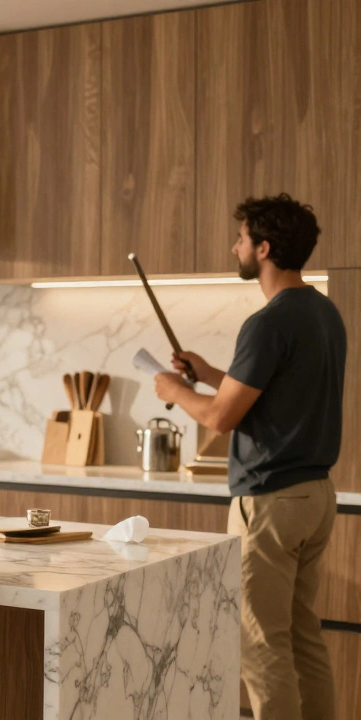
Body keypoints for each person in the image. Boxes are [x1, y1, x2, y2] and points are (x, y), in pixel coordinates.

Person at [155, 194, 343, 720]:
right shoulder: (324, 313)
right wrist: (208, 372)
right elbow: (271, 390)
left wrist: (174, 389)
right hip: (315, 496)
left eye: (240, 238)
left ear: (263, 248)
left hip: (270, 502)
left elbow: (220, 419)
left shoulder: (268, 323)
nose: (233, 246)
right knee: (304, 637)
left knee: (262, 647)